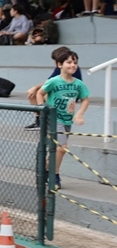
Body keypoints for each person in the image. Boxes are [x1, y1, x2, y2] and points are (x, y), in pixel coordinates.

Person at [39, 50, 89, 190]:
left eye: (75, 63)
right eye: (69, 62)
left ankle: (46, 167)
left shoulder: (78, 84)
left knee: (57, 149)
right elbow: (40, 93)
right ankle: (54, 176)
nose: (73, 65)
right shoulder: (53, 81)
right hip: (55, 119)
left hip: (67, 120)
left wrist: (79, 114)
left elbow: (85, 100)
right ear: (59, 64)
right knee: (62, 148)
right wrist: (42, 109)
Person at [24, 46, 84, 129]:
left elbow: (50, 82)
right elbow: (50, 80)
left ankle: (45, 118)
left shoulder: (70, 68)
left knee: (43, 93)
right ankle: (39, 120)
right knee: (35, 93)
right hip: (61, 92)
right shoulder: (60, 69)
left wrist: (35, 87)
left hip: (69, 94)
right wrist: (35, 88)